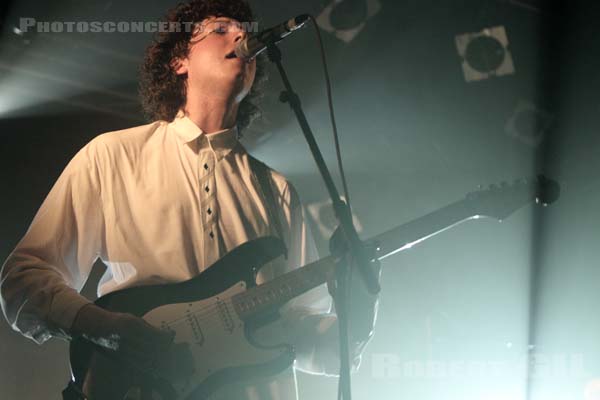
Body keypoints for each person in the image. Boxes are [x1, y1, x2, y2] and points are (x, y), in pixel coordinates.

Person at [0, 1, 379, 399]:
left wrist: (361, 312)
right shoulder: (113, 156)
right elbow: (23, 279)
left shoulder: (278, 191)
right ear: (180, 60)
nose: (240, 36)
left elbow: (307, 339)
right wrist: (104, 328)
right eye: (220, 29)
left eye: (244, 30)